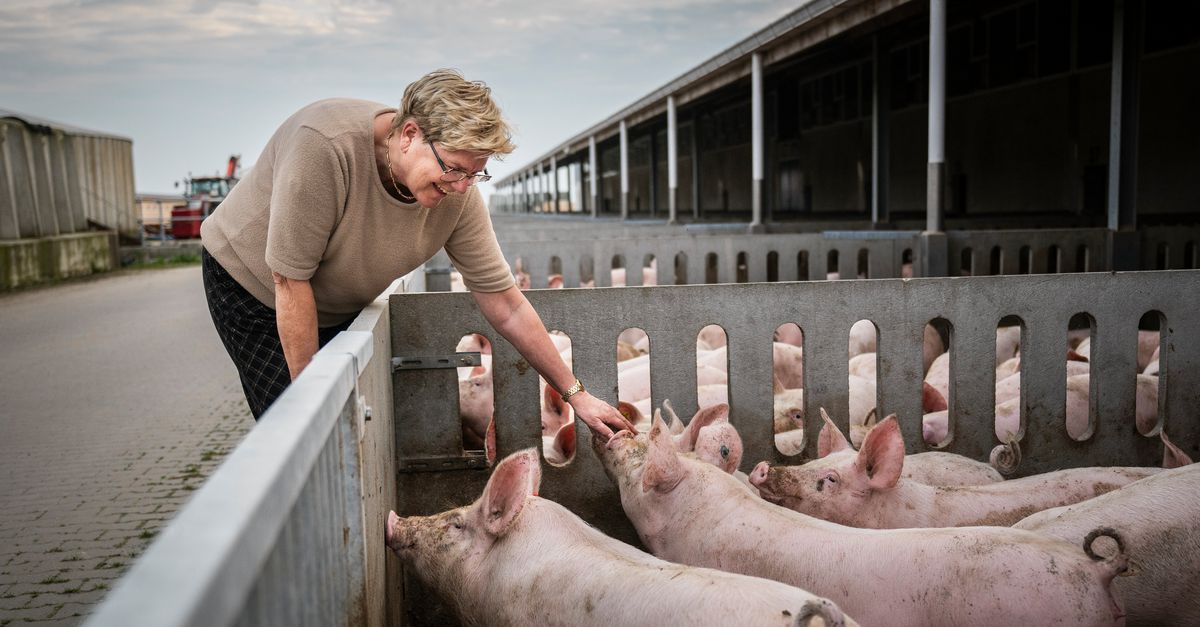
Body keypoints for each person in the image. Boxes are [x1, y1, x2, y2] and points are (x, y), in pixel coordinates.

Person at [200, 68, 635, 440]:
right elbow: (290, 281)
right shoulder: (325, 147)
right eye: (454, 169)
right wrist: (315, 403)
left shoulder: (458, 196)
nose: (463, 186)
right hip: (254, 289)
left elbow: (505, 304)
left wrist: (575, 393)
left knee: (354, 428)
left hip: (331, 301)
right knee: (300, 429)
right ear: (410, 135)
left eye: (476, 172)